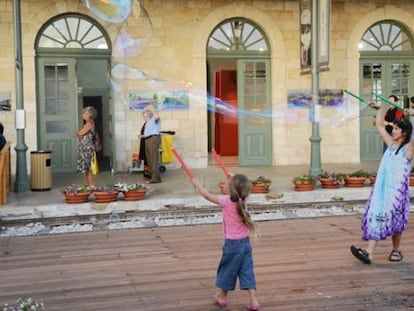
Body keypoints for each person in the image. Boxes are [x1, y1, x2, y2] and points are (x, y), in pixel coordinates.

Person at [350, 101, 414, 264]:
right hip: (382, 189)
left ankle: (395, 250)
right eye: (394, 128)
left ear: (405, 133)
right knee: (377, 215)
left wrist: (413, 115)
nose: (393, 130)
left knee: (394, 219)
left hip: (397, 192)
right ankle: (369, 253)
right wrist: (380, 109)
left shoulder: (408, 149)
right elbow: (379, 125)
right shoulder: (391, 144)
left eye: (397, 129)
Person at [191, 174, 260, 310]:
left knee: (228, 269)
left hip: (232, 245)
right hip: (245, 244)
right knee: (247, 271)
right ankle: (253, 301)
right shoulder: (244, 200)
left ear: (232, 189)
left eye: (229, 184)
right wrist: (233, 178)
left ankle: (222, 296)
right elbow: (240, 186)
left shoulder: (227, 201)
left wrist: (197, 185)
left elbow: (207, 196)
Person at [76, 106, 98, 189]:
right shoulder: (90, 123)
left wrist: (78, 133)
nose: (82, 115)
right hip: (85, 146)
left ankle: (91, 184)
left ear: (89, 115)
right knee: (86, 167)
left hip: (87, 147)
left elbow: (80, 133)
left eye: (84, 113)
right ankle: (89, 184)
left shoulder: (89, 124)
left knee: (88, 167)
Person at [143, 105, 161, 183]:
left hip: (153, 139)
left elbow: (157, 117)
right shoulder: (149, 120)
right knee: (149, 159)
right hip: (148, 139)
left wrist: (152, 110)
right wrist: (142, 136)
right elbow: (149, 131)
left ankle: (155, 179)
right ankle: (153, 177)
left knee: (153, 159)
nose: (147, 113)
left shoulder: (155, 118)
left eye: (148, 111)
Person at [137, 110, 150, 179]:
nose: (145, 118)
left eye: (146, 116)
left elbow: (149, 134)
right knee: (145, 159)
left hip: (147, 142)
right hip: (143, 142)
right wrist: (140, 135)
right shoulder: (145, 123)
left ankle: (148, 175)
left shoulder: (150, 124)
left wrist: (142, 136)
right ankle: (146, 174)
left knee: (148, 159)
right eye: (144, 116)